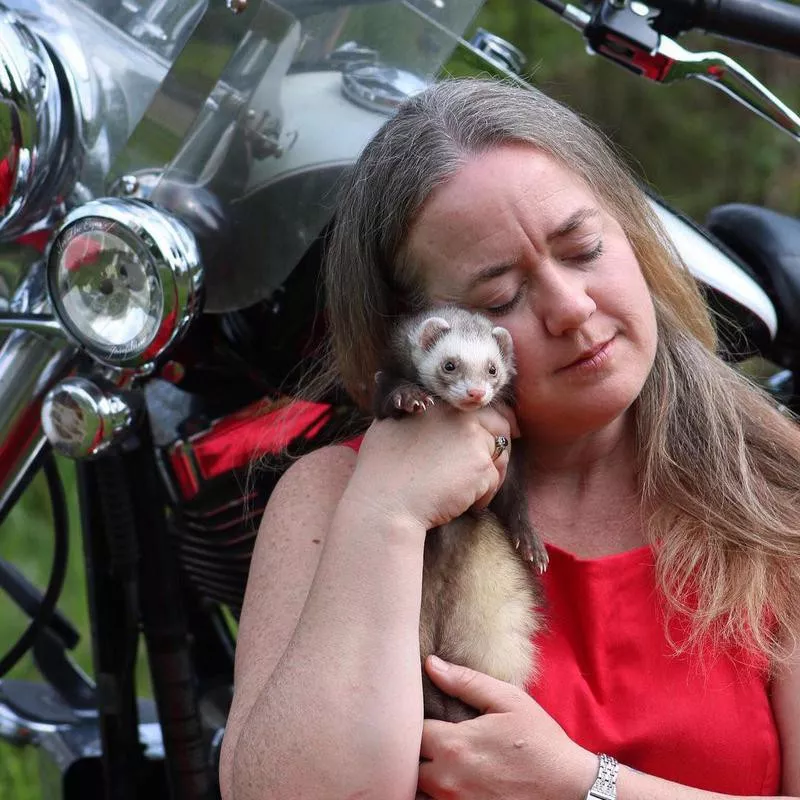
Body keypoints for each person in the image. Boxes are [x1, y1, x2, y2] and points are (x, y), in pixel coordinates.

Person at [218, 78, 800, 799]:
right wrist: (387, 519)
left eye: (582, 247)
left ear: (634, 236)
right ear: (420, 333)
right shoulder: (334, 501)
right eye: (499, 298)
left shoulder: (774, 486)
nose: (570, 307)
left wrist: (582, 787)